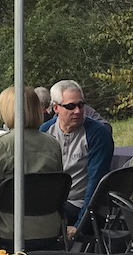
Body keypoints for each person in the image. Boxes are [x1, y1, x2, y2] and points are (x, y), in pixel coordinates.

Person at [0, 86, 63, 248]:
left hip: (11, 229)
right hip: (50, 228)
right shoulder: (53, 143)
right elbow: (57, 185)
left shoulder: (3, 143)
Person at [38, 79, 114, 237]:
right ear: (56, 108)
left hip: (81, 206)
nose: (78, 111)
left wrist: (79, 225)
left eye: (81, 105)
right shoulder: (45, 131)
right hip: (52, 204)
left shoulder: (98, 134)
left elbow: (96, 185)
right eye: (70, 106)